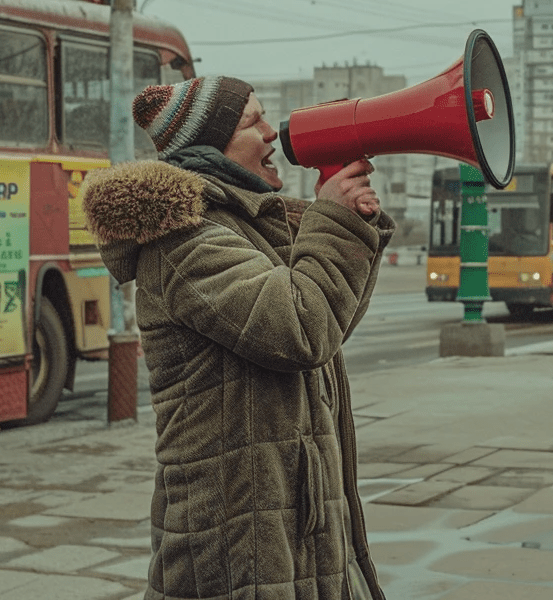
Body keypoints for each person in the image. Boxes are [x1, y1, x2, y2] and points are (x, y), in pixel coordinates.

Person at [79, 76, 394, 600]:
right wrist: (334, 220)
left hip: (286, 514)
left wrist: (351, 226)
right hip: (236, 535)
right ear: (209, 148)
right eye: (253, 121)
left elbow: (328, 329)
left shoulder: (240, 229)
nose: (273, 133)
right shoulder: (183, 241)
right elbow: (300, 330)